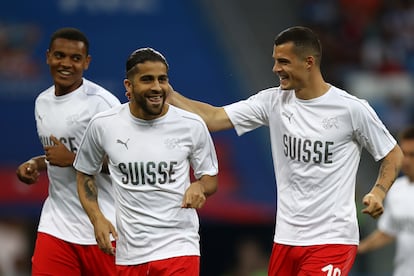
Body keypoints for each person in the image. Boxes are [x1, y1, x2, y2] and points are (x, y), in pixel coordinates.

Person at [167, 26, 404, 275]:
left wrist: (378, 191)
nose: (275, 68)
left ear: (309, 62)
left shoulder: (351, 109)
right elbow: (214, 118)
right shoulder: (272, 102)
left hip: (332, 239)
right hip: (286, 238)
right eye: (274, 61)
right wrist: (171, 96)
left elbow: (392, 153)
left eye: (283, 62)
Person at [73, 47, 218, 276]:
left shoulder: (191, 124)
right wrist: (97, 218)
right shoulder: (103, 125)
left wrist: (199, 186)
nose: (157, 87)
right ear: (128, 86)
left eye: (162, 79)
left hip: (179, 247)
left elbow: (210, 178)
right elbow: (84, 173)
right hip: (130, 253)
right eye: (147, 79)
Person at [15, 27, 121, 275]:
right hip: (57, 226)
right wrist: (34, 163)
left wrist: (73, 160)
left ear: (87, 62)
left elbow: (126, 164)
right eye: (59, 56)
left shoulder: (103, 104)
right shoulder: (42, 101)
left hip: (104, 226)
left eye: (75, 58)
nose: (66, 64)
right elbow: (57, 155)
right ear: (48, 56)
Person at [358, 126, 414, 276]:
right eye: (404, 154)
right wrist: (357, 248)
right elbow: (388, 232)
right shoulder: (396, 190)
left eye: (412, 155)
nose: (406, 161)